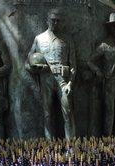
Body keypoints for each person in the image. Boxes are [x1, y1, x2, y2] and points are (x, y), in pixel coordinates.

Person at [26, 9, 76, 140]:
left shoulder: (68, 39)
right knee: (47, 114)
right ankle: (49, 147)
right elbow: (28, 63)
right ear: (47, 20)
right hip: (46, 80)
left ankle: (71, 148)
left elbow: (74, 66)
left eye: (58, 20)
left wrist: (70, 83)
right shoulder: (39, 38)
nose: (55, 22)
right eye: (53, 20)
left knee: (68, 112)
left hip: (63, 81)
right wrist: (35, 68)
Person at [87, 12, 115, 136]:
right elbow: (89, 60)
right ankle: (107, 140)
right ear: (110, 28)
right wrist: (97, 71)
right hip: (109, 83)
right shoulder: (104, 45)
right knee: (109, 113)